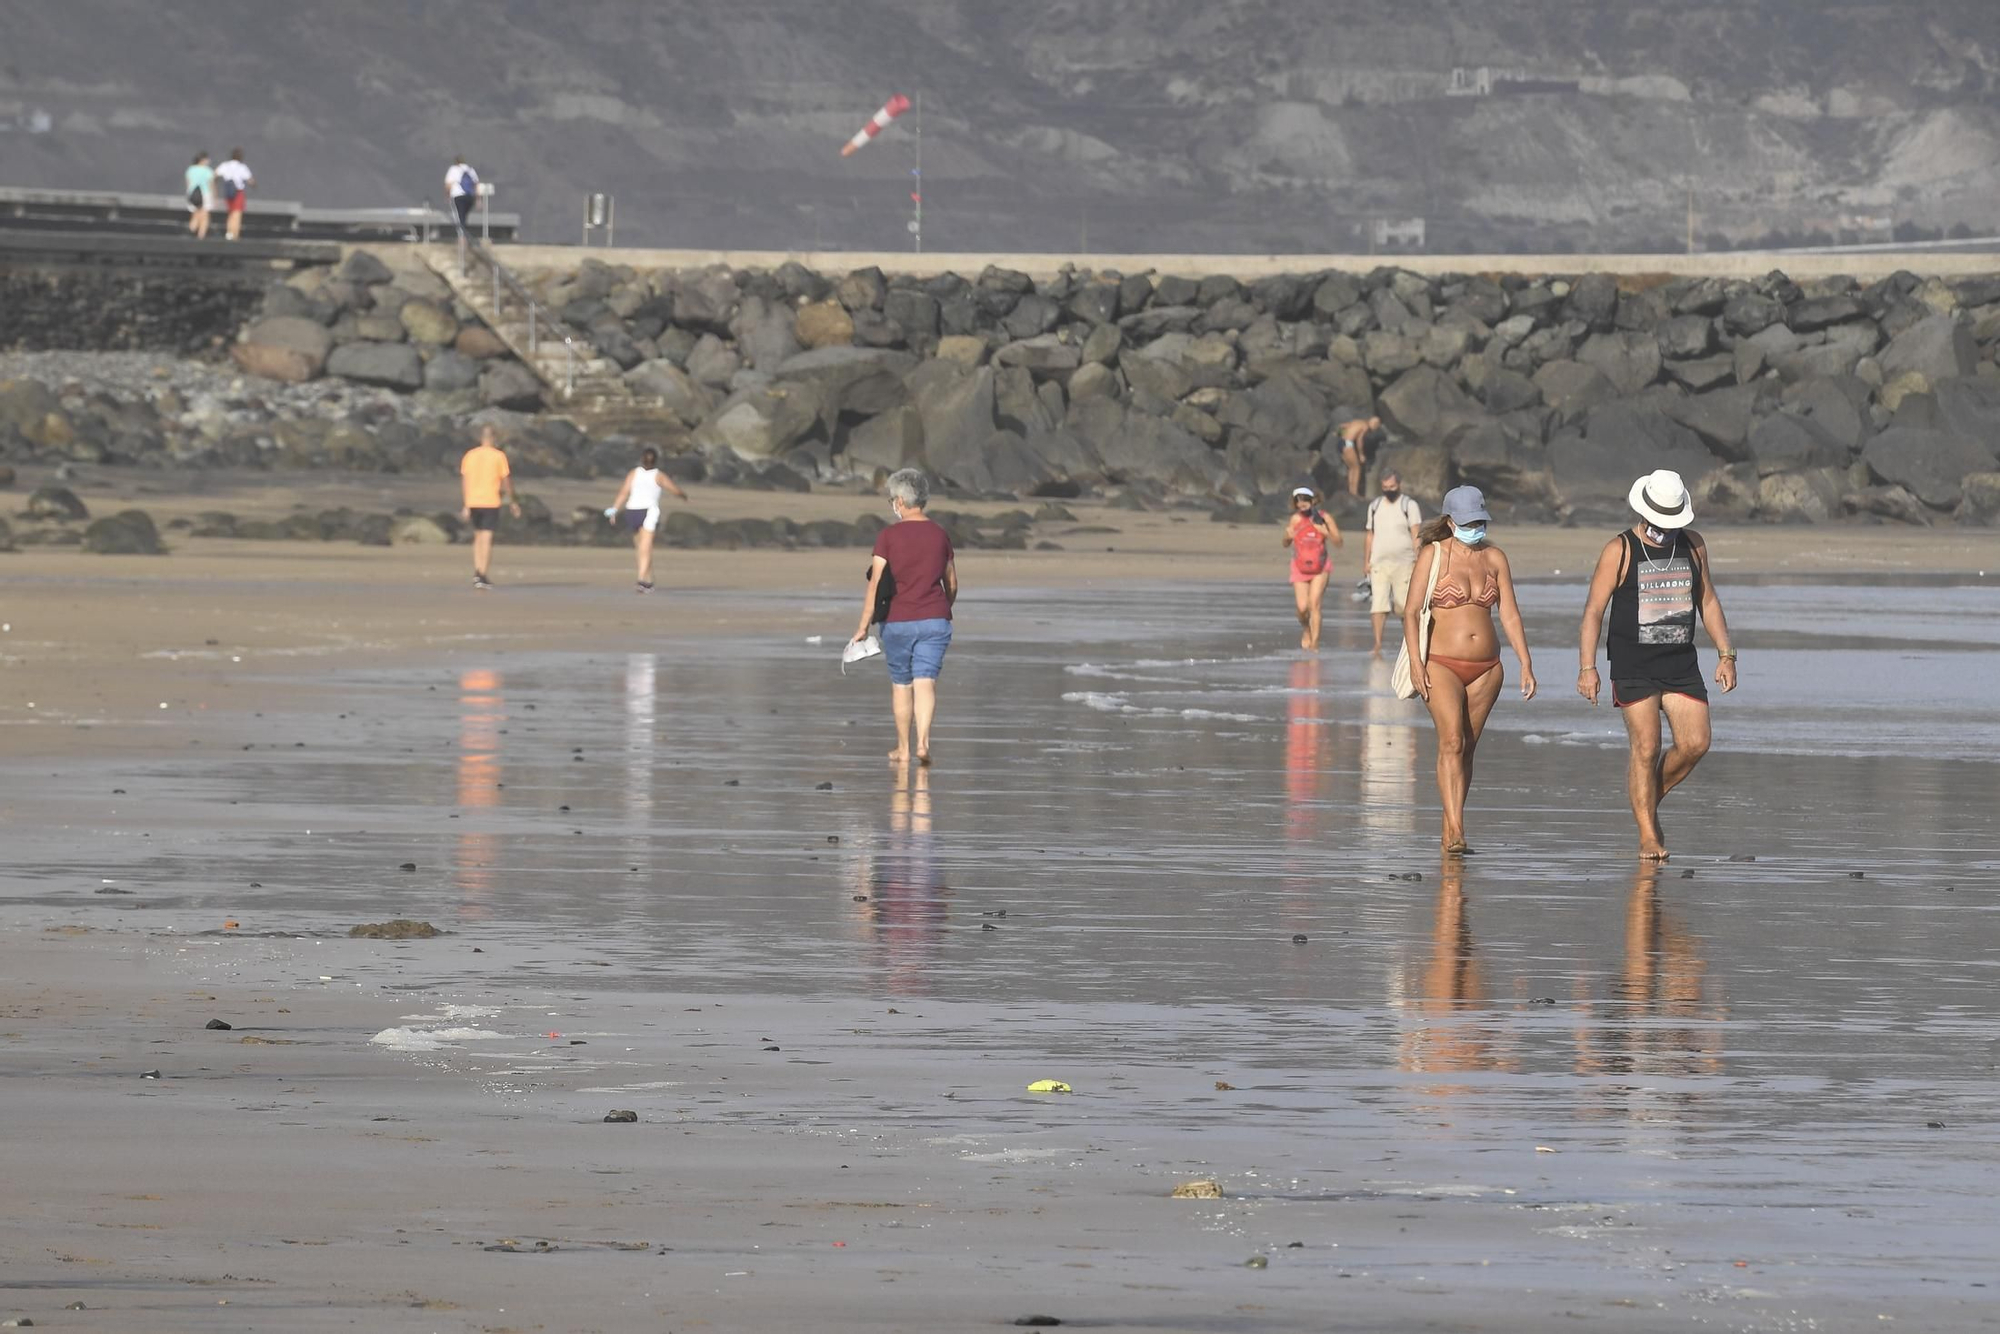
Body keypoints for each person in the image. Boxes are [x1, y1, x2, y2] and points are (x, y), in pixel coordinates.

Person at [1576, 469, 1738, 861]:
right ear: (1645, 512)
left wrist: (1726, 654)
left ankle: (1646, 799)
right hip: (1632, 664)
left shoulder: (1694, 545)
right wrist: (1588, 667)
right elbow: (1594, 610)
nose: (1667, 529)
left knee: (1696, 743)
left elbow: (1709, 601)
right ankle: (1648, 835)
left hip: (1681, 663)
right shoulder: (1620, 549)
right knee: (1647, 747)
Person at [1405, 485, 1536, 855]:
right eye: (1468, 522)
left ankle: (1450, 831)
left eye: (1479, 521)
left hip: (1487, 669)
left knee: (1467, 749)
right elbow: (1411, 611)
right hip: (1441, 664)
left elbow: (1509, 613)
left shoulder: (1495, 557)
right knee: (1451, 742)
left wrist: (1525, 661)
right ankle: (1459, 829)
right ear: (1450, 521)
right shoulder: (1432, 555)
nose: (1475, 527)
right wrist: (1416, 662)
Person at [852, 469, 958, 767]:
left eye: (892, 500)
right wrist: (941, 609)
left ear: (900, 500)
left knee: (902, 683)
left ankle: (903, 748)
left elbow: (875, 584)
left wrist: (862, 627)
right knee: (926, 680)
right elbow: (951, 583)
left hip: (898, 621)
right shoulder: (940, 534)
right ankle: (923, 742)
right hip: (935, 619)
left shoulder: (888, 537)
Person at [602, 447, 688, 592]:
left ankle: (647, 580)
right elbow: (674, 489)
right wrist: (684, 496)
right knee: (646, 548)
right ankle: (642, 580)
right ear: (656, 460)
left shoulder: (633, 473)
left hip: (632, 511)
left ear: (642, 459)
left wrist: (614, 509)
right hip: (648, 511)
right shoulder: (658, 475)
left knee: (640, 548)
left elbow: (624, 492)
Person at [1363, 469, 1422, 656]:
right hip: (1378, 563)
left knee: (1404, 607)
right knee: (1378, 605)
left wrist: (1419, 559)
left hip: (1405, 563)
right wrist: (1366, 561)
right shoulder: (1375, 506)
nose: (1389, 490)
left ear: (1399, 485)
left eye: (1392, 486)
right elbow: (1370, 535)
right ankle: (1377, 644)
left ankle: (1410, 643)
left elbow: (1416, 534)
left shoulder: (1409, 505)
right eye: (1385, 487)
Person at [459, 423, 522, 590]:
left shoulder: (469, 455)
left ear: (481, 438)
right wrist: (513, 501)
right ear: (493, 438)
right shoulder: (498, 456)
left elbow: (465, 481)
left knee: (478, 536)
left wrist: (465, 504)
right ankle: (482, 575)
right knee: (486, 538)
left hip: (473, 501)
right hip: (490, 501)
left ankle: (478, 571)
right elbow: (506, 481)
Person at [1282, 485, 1342, 650]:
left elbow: (1339, 542)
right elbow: (1285, 543)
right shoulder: (1295, 519)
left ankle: (1315, 643)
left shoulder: (1324, 518)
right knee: (1302, 608)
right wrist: (1287, 537)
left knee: (1314, 604)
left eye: (1305, 503)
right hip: (1299, 567)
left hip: (1320, 567)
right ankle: (1306, 629)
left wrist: (1325, 532)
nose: (1302, 507)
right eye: (1299, 504)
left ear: (1313, 501)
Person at [1337, 414, 1386, 498]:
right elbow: (1359, 441)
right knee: (1357, 468)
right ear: (1370, 421)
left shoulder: (1357, 421)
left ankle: (1351, 491)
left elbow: (1342, 426)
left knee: (1351, 468)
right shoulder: (1365, 426)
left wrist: (1340, 434)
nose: (1375, 426)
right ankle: (1354, 493)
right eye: (1374, 423)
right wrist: (1361, 454)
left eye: (1377, 424)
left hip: (1341, 442)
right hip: (1348, 443)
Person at [213, 147, 253, 241]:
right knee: (237, 214)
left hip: (228, 191)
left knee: (231, 213)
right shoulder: (242, 167)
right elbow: (250, 180)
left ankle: (229, 233)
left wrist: (216, 184)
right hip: (238, 192)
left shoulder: (225, 165)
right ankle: (235, 235)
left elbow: (215, 175)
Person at [183, 151, 213, 240]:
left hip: (192, 194)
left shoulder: (190, 169)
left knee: (195, 214)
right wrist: (214, 197)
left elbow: (188, 183)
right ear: (202, 160)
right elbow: (211, 184)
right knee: (204, 216)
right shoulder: (208, 171)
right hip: (205, 194)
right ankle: (201, 236)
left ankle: (191, 232)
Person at [444, 156, 479, 229]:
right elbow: (476, 184)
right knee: (464, 216)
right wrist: (478, 199)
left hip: (458, 196)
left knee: (458, 217)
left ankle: (462, 237)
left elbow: (448, 184)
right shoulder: (470, 169)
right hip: (470, 197)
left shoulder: (453, 169)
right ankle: (464, 234)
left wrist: (447, 196)